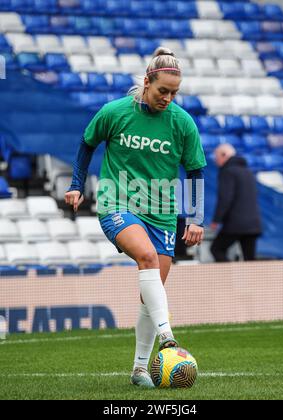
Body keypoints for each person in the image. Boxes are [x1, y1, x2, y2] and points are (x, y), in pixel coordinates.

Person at [65, 47, 206, 388]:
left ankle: (141, 368)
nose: (168, 98)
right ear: (146, 82)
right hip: (118, 203)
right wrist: (75, 185)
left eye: (174, 93)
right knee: (146, 259)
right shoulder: (115, 112)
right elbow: (87, 144)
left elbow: (196, 170)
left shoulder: (182, 123)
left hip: (162, 214)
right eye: (163, 91)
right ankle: (169, 339)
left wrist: (196, 218)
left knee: (150, 291)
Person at [210, 144, 262, 262]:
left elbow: (225, 198)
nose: (216, 160)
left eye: (217, 157)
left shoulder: (227, 172)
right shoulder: (248, 172)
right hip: (253, 224)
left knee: (216, 249)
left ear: (224, 155)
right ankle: (251, 280)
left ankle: (231, 276)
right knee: (250, 259)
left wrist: (216, 220)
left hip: (235, 224)